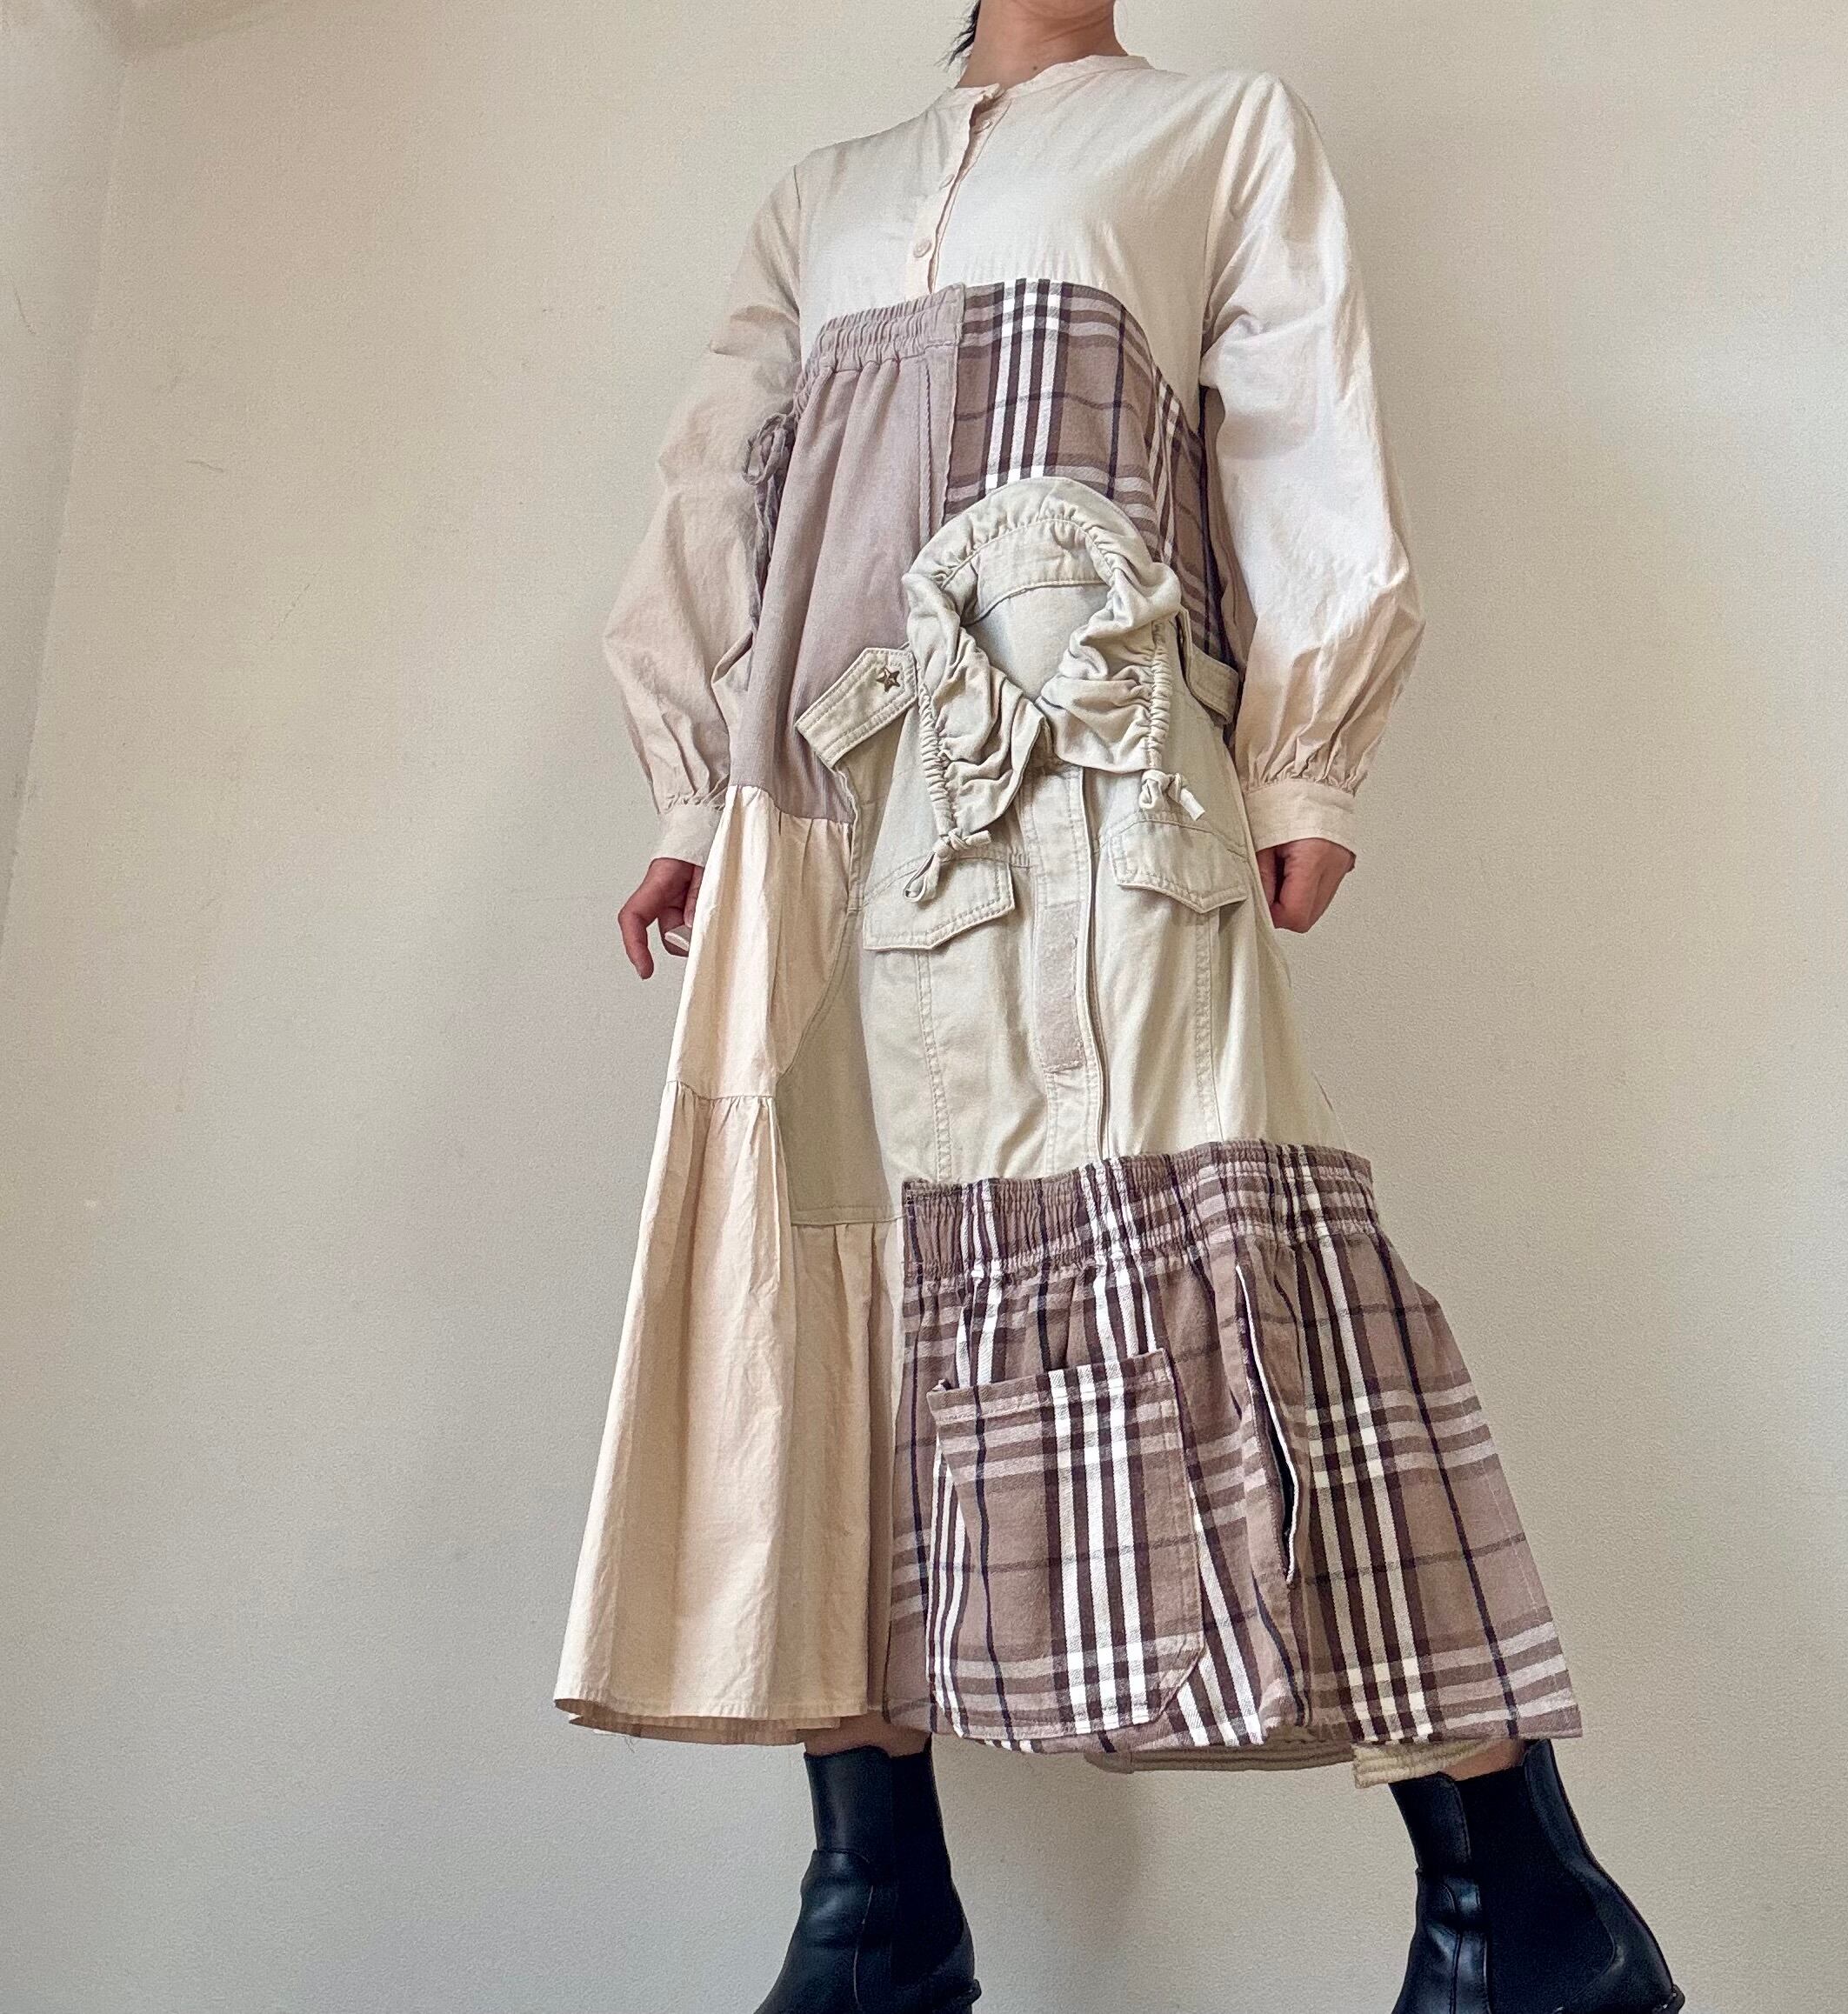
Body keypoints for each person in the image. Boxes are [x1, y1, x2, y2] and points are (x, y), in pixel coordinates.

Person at [559, 3, 1685, 2010]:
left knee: (1239, 1275)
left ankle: (1517, 1899)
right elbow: (718, 484)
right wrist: (688, 790)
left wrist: (1306, 758)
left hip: (1095, 793)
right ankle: (875, 1910)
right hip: (823, 799)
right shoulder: (823, 197)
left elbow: (1300, 416)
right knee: (829, 1300)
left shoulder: (1219, 135)